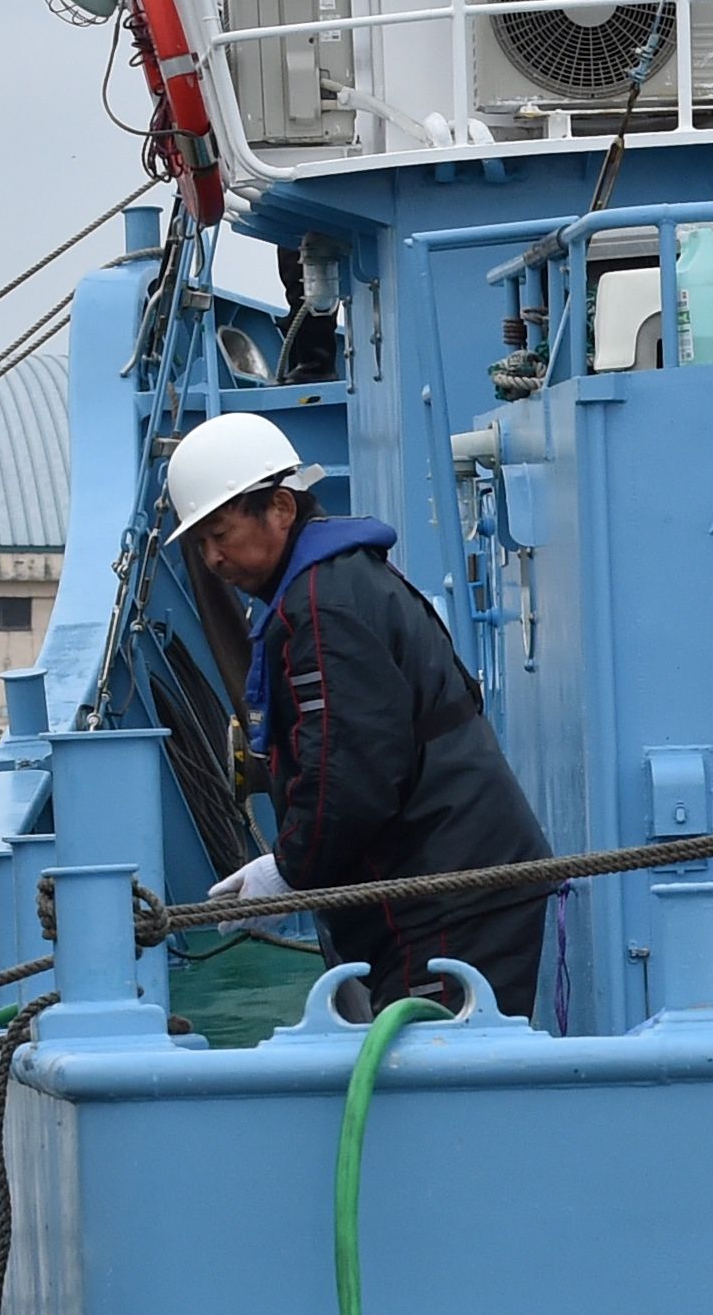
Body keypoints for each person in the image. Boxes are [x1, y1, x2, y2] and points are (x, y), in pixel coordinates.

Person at [163, 412, 558, 1019]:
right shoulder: (334, 585)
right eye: (201, 544)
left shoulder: (323, 606)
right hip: (455, 888)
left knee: (444, 1096)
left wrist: (290, 871)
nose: (213, 559)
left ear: (281, 510)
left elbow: (349, 772)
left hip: (447, 900)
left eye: (221, 534)